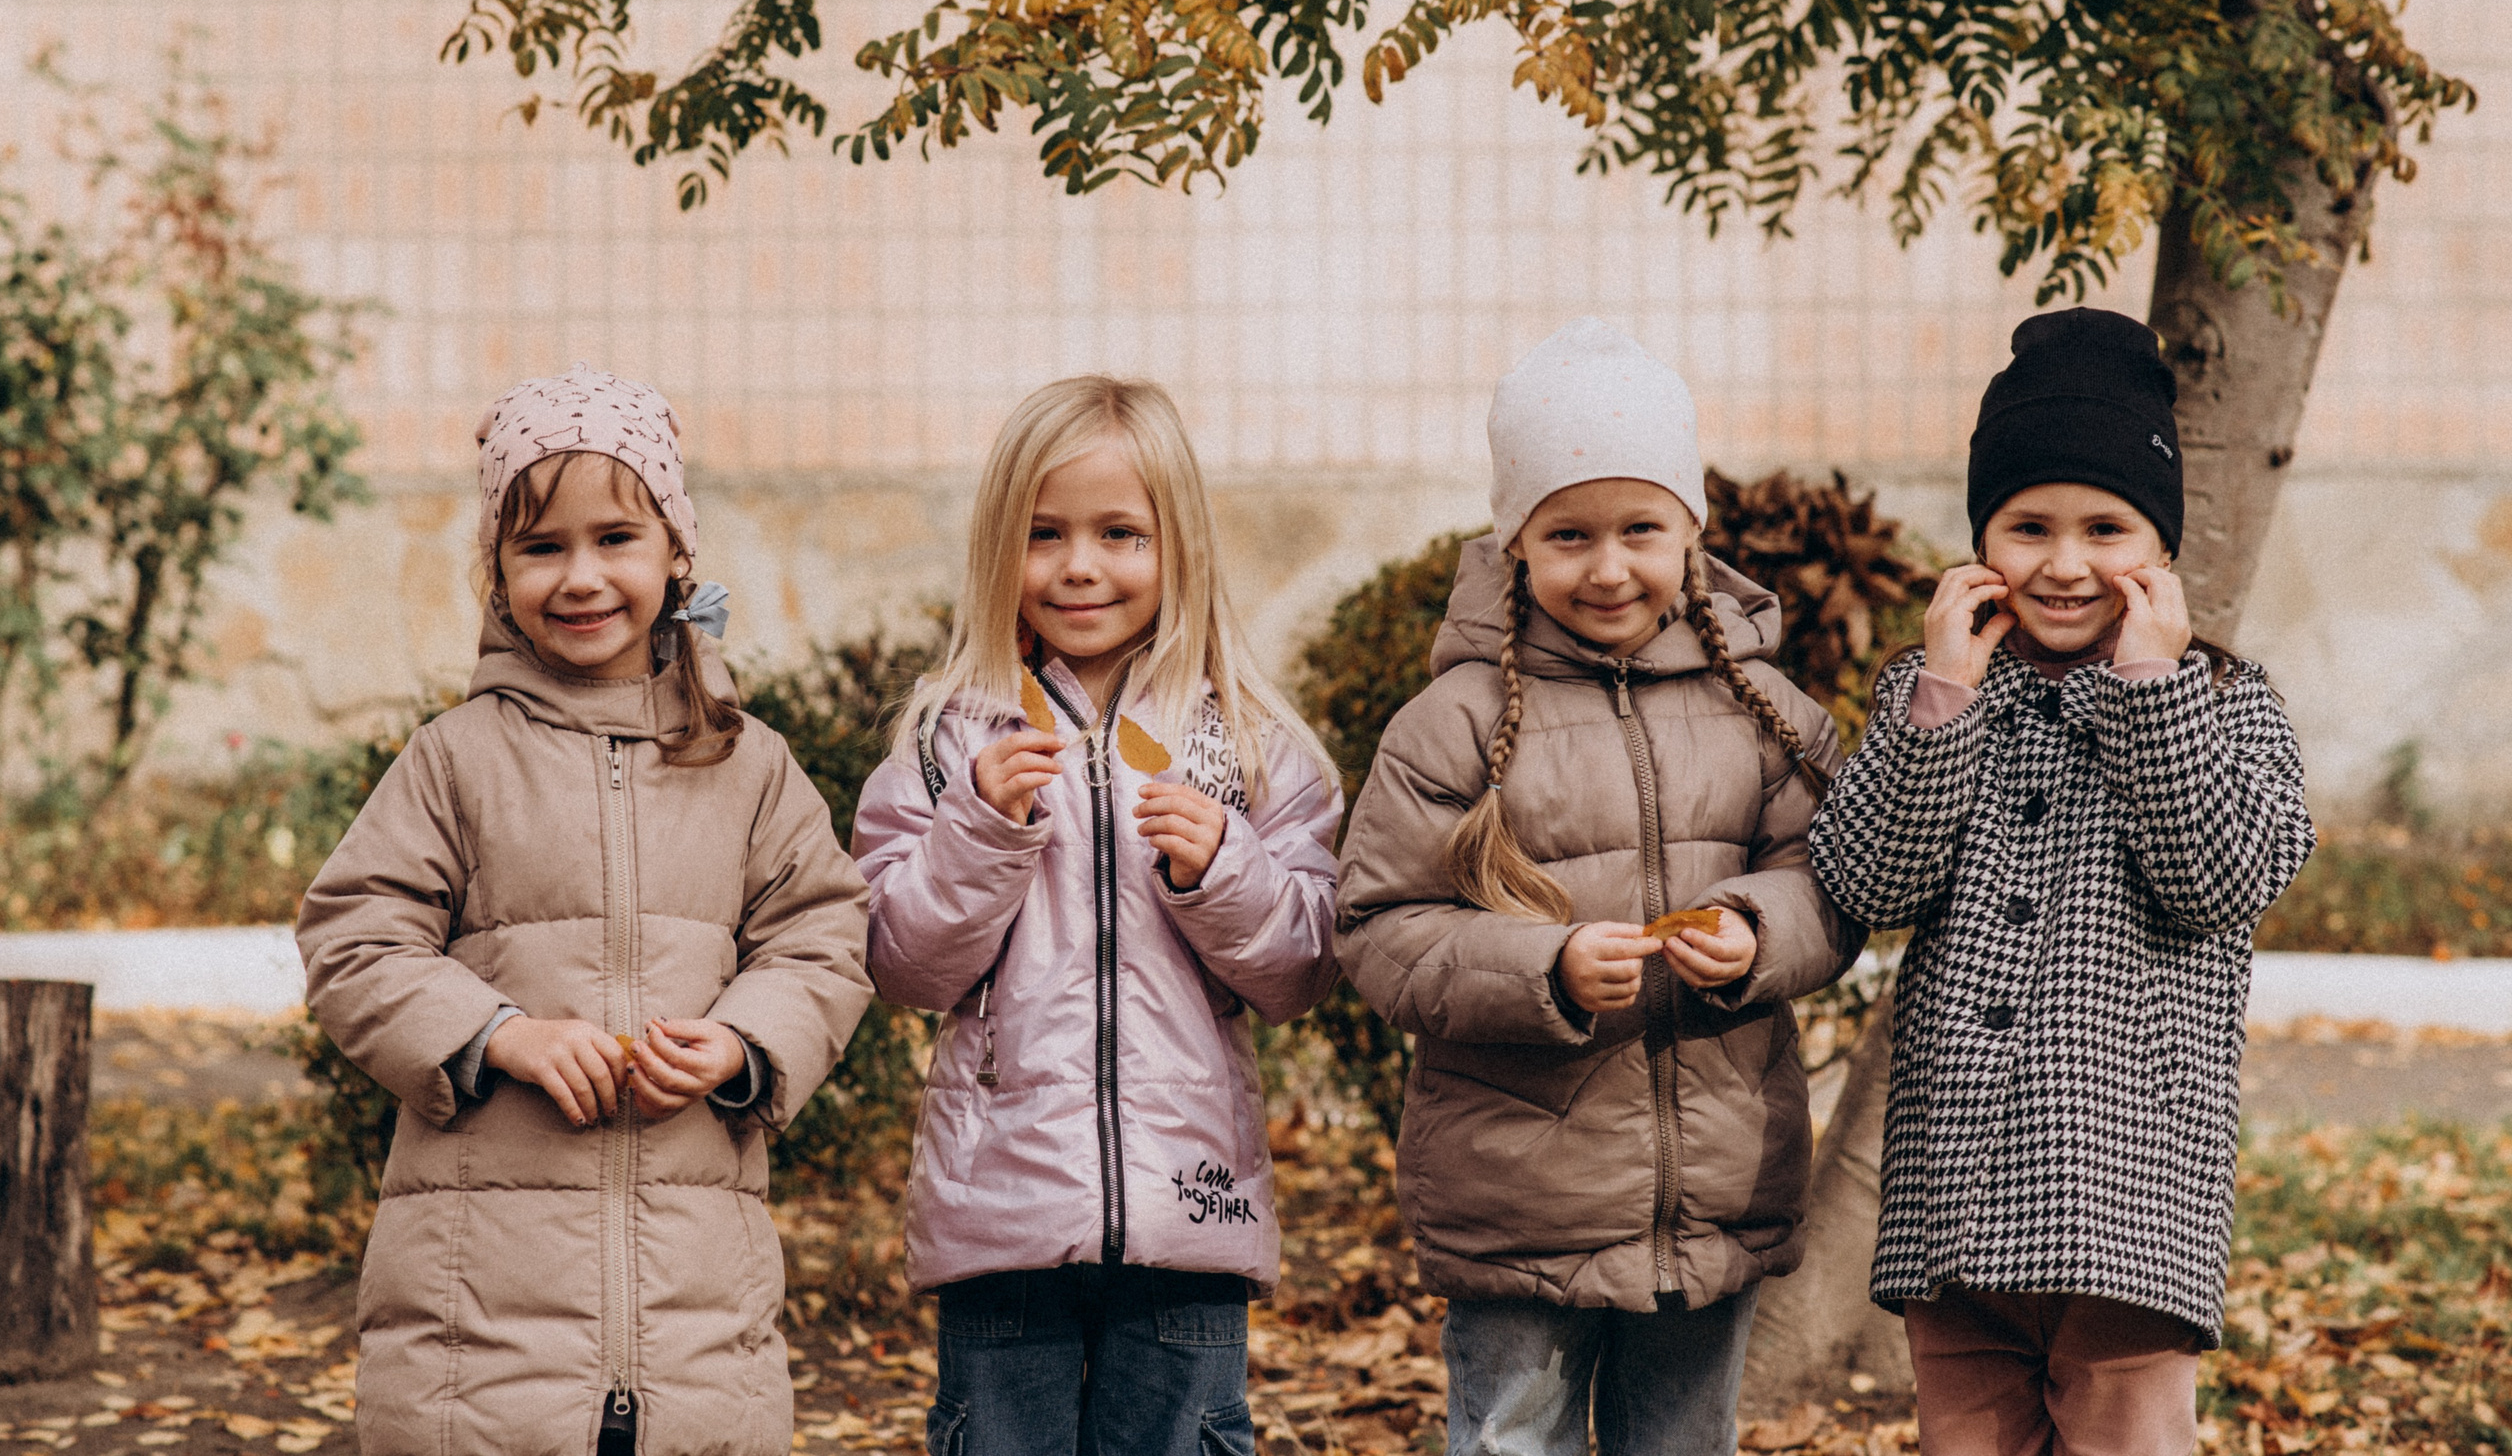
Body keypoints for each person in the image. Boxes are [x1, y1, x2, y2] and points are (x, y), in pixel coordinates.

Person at [297, 365, 873, 1456]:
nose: (580, 576)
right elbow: (354, 935)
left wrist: (744, 1041)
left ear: (674, 553)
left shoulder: (748, 765)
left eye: (616, 537)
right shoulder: (455, 760)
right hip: (478, 1348)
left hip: (695, 1328)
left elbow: (822, 934)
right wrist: (496, 1032)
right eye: (540, 546)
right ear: (496, 567)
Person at [1335, 319, 1862, 1456]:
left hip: (1716, 1184)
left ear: (1691, 531)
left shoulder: (1760, 708)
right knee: (1508, 1439)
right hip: (1518, 1192)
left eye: (1640, 528)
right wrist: (1546, 965)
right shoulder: (1455, 722)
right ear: (1515, 541)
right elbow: (1380, 926)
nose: (1608, 564)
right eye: (1568, 533)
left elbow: (1832, 875)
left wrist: (1759, 928)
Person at [1809, 309, 2315, 1456]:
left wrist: (2148, 694)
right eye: (2027, 524)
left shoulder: (2225, 704)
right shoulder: (1935, 691)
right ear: (1982, 536)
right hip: (1954, 1199)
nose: (2067, 561)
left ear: (2162, 548)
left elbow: (2220, 880)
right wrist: (1938, 701)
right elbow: (1864, 877)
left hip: (2128, 1202)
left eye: (2106, 526)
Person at [851, 375, 1344, 1456]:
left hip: (1188, 1216)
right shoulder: (948, 741)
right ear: (997, 549)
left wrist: (1225, 867)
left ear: (1180, 547)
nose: (1079, 564)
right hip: (1001, 1219)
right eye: (1043, 533)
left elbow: (1303, 965)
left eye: (1120, 531)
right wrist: (980, 828)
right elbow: (899, 961)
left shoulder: (1244, 741)